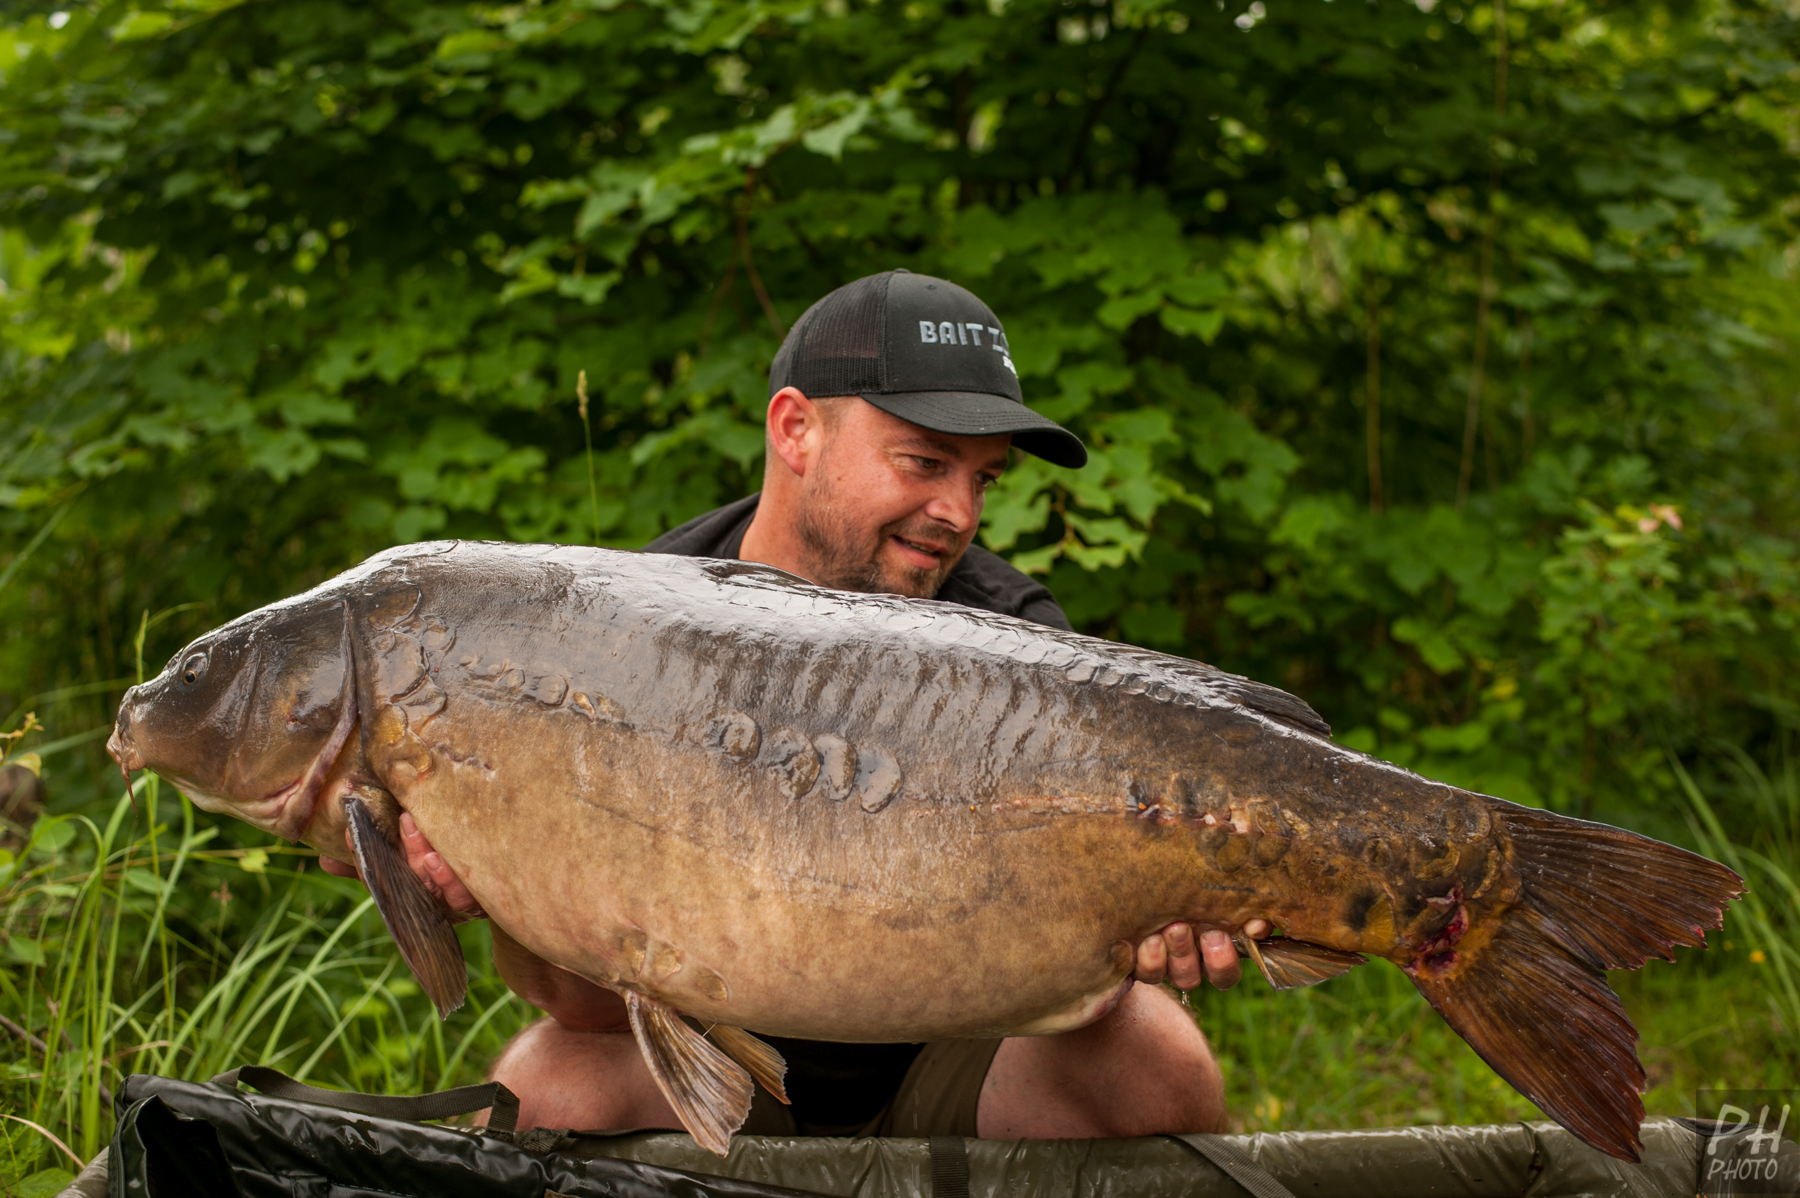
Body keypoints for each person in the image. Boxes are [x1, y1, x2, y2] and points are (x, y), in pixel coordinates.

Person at [328, 270, 1269, 1139]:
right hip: (726, 1075)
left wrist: (1148, 927)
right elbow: (584, 1004)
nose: (959, 512)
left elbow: (1077, 967)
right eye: (925, 462)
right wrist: (489, 883)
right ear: (795, 431)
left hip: (955, 1070)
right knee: (547, 1092)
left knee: (1156, 1060)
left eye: (981, 479)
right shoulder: (623, 633)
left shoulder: (1012, 644)